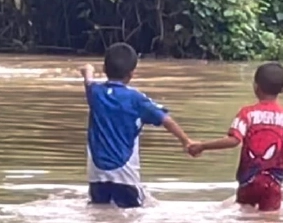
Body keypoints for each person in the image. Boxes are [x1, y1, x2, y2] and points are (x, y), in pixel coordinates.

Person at [79, 42, 196, 209]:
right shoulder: (136, 99)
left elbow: (88, 81)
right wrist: (186, 141)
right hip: (126, 177)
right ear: (131, 73)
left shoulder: (95, 93)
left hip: (97, 176)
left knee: (100, 213)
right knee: (134, 219)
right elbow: (166, 120)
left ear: (104, 69)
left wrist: (88, 70)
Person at [188, 62, 283, 212]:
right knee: (270, 221)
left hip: (248, 182)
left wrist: (202, 146)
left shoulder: (247, 114)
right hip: (273, 184)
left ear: (255, 86)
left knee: (244, 216)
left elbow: (233, 140)